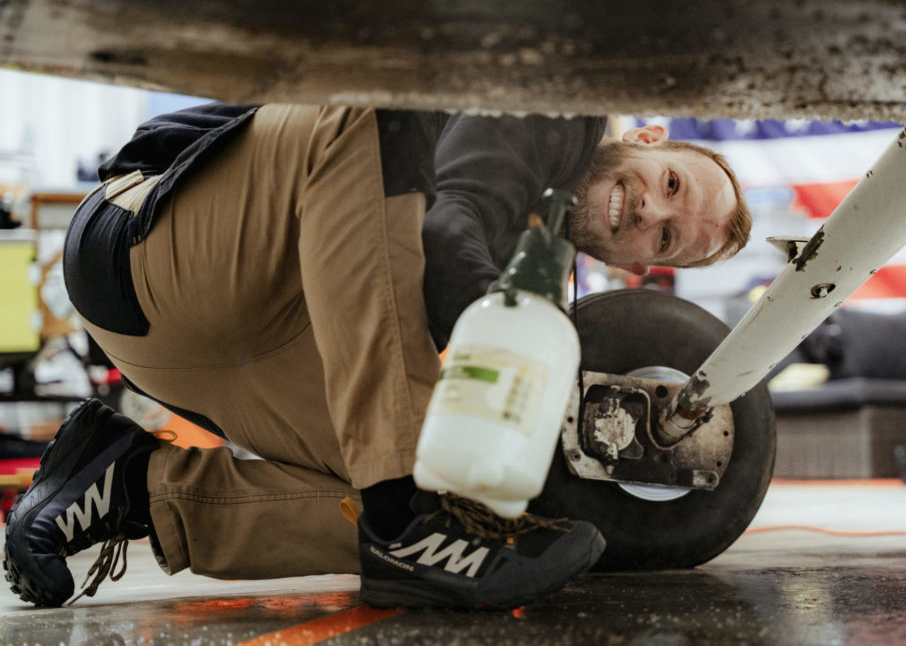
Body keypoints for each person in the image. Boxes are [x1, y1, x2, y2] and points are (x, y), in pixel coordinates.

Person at [3, 104, 750, 609]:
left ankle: (132, 485)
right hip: (162, 245)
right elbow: (446, 227)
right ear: (650, 139)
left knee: (476, 506)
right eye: (672, 186)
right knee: (375, 110)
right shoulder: (552, 107)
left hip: (205, 357)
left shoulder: (546, 266)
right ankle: (403, 514)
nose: (652, 213)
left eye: (666, 239)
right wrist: (528, 358)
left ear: (649, 267)